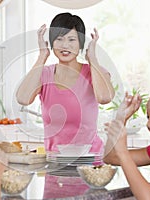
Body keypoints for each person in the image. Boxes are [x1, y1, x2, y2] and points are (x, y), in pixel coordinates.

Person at [16, 12, 115, 154]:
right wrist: (42, 55)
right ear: (52, 42)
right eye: (59, 39)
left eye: (72, 40)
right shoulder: (44, 74)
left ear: (80, 42)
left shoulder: (93, 71)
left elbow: (105, 98)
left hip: (89, 160)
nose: (65, 45)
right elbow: (23, 98)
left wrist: (92, 59)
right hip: (55, 161)